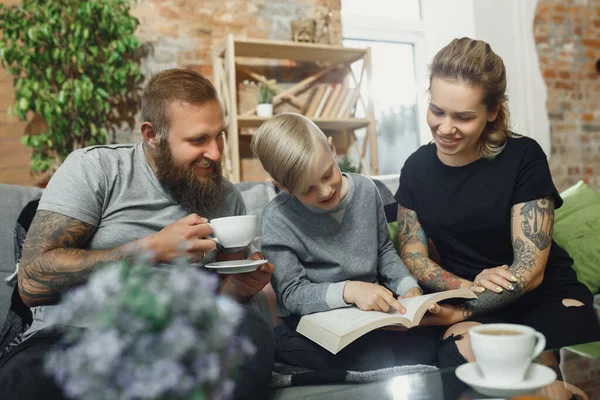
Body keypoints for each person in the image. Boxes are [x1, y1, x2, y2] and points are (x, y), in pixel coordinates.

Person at [0, 69, 275, 400]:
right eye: (198, 140)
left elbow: (219, 303)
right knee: (29, 381)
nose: (216, 153)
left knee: (251, 332)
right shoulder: (97, 169)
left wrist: (239, 289)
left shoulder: (226, 196)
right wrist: (149, 250)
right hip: (78, 334)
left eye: (219, 136)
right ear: (151, 134)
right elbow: (31, 281)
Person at [395, 37, 600, 368]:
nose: (445, 128)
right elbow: (412, 253)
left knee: (534, 371)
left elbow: (529, 271)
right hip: (472, 297)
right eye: (436, 111)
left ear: (492, 111)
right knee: (462, 356)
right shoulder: (415, 168)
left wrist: (462, 308)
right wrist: (466, 288)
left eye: (463, 117)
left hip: (541, 296)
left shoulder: (523, 156)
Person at [252, 113, 443, 371]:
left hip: (371, 317)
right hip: (314, 323)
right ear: (283, 187)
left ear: (332, 149)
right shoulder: (277, 218)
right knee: (372, 357)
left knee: (434, 341)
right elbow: (291, 293)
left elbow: (384, 251)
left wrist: (409, 288)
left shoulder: (366, 190)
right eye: (307, 189)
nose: (325, 191)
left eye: (327, 173)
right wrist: (349, 290)